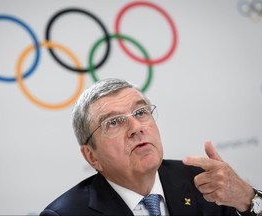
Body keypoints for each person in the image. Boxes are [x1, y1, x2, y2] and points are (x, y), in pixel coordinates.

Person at [40, 78, 262, 216]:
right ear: (91, 156)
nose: (136, 128)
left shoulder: (204, 183)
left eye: (140, 112)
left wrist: (247, 198)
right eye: (114, 122)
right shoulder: (65, 213)